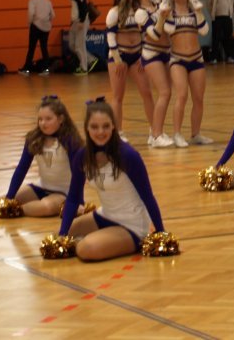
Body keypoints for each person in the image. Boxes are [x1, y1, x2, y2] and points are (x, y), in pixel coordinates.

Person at [56, 100, 166, 261]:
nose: (100, 132)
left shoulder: (128, 155)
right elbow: (72, 198)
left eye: (106, 126)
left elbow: (148, 197)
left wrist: (161, 234)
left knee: (86, 249)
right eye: (94, 127)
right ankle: (104, 238)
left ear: (114, 126)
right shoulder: (82, 156)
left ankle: (126, 241)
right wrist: (62, 235)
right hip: (105, 215)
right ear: (86, 128)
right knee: (63, 234)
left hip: (132, 224)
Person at [0, 96, 83, 216]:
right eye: (40, 119)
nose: (43, 123)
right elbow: (22, 168)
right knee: (10, 198)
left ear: (61, 119)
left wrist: (79, 202)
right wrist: (9, 198)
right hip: (40, 187)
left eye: (48, 119)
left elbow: (78, 173)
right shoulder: (34, 138)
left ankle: (12, 211)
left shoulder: (70, 141)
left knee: (46, 207)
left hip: (63, 192)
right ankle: (7, 207)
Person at [150, 0, 212, 147]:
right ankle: (177, 134)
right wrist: (165, 13)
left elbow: (204, 30)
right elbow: (169, 30)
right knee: (182, 95)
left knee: (198, 98)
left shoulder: (194, 12)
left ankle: (196, 134)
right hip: (178, 59)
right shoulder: (169, 13)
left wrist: (198, 11)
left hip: (196, 58)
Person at [105, 0, 155, 141]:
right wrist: (117, 59)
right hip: (119, 57)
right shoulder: (114, 12)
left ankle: (154, 131)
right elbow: (110, 36)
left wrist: (143, 54)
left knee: (147, 93)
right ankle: (118, 133)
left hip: (137, 56)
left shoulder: (139, 11)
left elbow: (145, 34)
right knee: (118, 96)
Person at [135, 0, 173, 147]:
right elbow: (155, 34)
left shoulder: (157, 2)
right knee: (164, 92)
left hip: (166, 52)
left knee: (166, 94)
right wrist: (162, 16)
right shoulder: (140, 13)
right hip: (151, 53)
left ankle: (156, 132)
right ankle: (157, 135)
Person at [64, 0, 98, 75]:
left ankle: (84, 68)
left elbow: (83, 6)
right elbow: (76, 7)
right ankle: (91, 59)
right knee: (72, 45)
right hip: (75, 21)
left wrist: (82, 21)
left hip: (81, 21)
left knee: (79, 46)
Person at [19, 0, 55, 75]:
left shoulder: (32, 1)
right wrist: (47, 22)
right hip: (46, 27)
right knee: (44, 48)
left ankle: (27, 69)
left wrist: (30, 23)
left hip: (35, 25)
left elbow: (31, 13)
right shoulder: (48, 1)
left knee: (31, 48)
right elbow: (53, 15)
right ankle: (46, 69)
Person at [206, 0, 234, 64]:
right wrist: (212, 13)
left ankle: (230, 57)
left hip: (228, 16)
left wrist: (230, 11)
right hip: (217, 17)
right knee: (216, 38)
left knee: (228, 37)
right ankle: (214, 58)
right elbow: (208, 4)